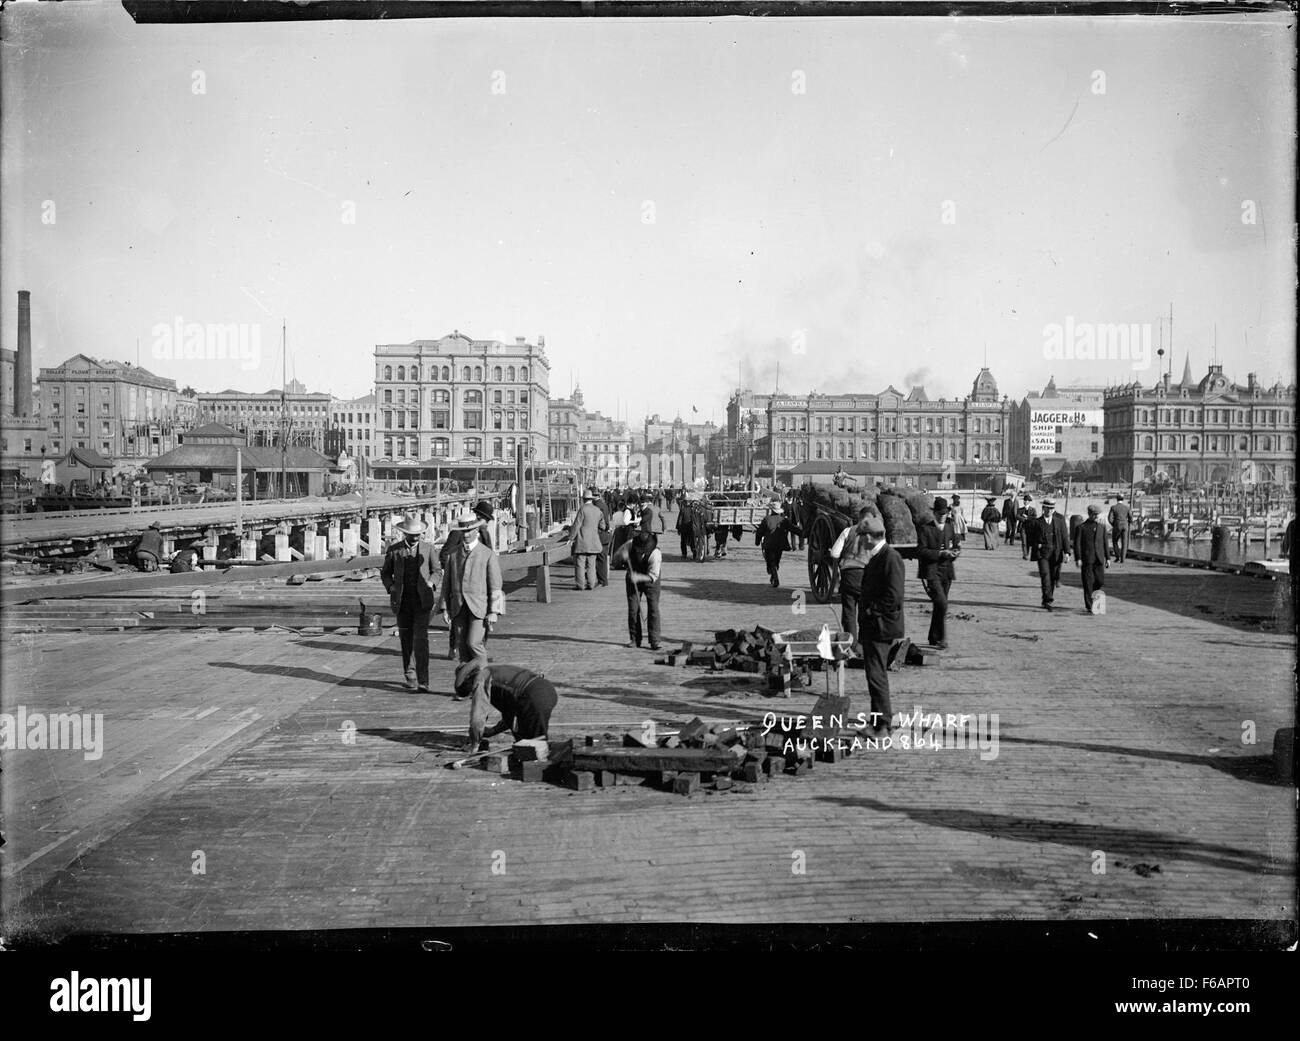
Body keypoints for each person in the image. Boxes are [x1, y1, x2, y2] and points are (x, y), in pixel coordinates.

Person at [857, 512, 905, 739]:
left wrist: (870, 611)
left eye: (861, 537)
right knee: (874, 676)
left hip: (881, 626)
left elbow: (893, 597)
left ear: (869, 537)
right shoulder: (880, 556)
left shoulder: (890, 558)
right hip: (875, 626)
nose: (860, 541)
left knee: (876, 677)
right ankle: (878, 723)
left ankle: (883, 725)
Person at [381, 513, 442, 691]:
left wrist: (432, 582)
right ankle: (410, 674)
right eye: (412, 534)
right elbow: (385, 573)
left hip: (423, 602)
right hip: (402, 602)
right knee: (406, 639)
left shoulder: (429, 549)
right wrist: (391, 586)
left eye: (418, 534)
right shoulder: (394, 550)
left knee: (421, 639)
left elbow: (437, 570)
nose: (415, 537)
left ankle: (424, 680)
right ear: (404, 533)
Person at [436, 507, 502, 669]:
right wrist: (444, 608)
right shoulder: (453, 555)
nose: (465, 535)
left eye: (469, 531)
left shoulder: (487, 555)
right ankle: (467, 686)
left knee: (474, 643)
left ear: (476, 530)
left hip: (479, 607)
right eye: (463, 532)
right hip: (458, 607)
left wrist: (494, 611)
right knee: (463, 649)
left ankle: (483, 680)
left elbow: (496, 584)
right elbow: (447, 584)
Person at [458, 660, 558, 753]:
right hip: (546, 690)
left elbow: (478, 717)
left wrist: (474, 744)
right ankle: (528, 760)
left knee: (536, 744)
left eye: (471, 693)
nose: (472, 695)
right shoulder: (493, 672)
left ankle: (539, 768)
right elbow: (510, 714)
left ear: (469, 682)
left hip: (533, 697)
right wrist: (494, 730)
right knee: (526, 739)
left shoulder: (480, 680)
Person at [828, 506, 877, 657]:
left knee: (849, 614)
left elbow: (835, 553)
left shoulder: (848, 531)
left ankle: (851, 647)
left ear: (859, 518)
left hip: (849, 578)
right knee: (865, 614)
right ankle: (863, 646)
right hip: (867, 579)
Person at [916, 498, 959, 649]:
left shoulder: (949, 527)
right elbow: (921, 551)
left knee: (939, 605)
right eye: (940, 514)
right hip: (932, 571)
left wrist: (955, 552)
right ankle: (942, 638)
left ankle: (933, 637)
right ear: (934, 513)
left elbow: (956, 544)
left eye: (945, 513)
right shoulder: (925, 529)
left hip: (947, 571)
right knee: (942, 602)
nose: (942, 516)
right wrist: (940, 553)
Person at [1026, 497, 1070, 611]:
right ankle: (1048, 599)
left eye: (1052, 509)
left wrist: (1067, 552)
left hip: (1055, 553)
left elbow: (1065, 537)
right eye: (1047, 508)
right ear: (1043, 508)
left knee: (1053, 576)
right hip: (1042, 554)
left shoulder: (1059, 522)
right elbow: (1029, 537)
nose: (1049, 511)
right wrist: (1036, 545)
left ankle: (1046, 599)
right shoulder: (1036, 522)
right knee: (1045, 575)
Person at [621, 529, 662, 649]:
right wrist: (623, 556)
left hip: (650, 579)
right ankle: (634, 639)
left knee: (653, 609)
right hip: (633, 577)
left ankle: (654, 640)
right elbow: (619, 555)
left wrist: (638, 577)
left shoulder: (655, 554)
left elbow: (653, 576)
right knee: (633, 609)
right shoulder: (631, 544)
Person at [1073, 504, 1110, 614]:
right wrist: (1078, 558)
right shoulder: (1081, 528)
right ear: (1090, 515)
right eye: (1095, 515)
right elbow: (1077, 544)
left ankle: (1094, 596)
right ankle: (1090, 606)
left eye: (1098, 515)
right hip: (1087, 559)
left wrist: (1108, 558)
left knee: (1100, 581)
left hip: (1099, 558)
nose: (1097, 517)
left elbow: (1105, 543)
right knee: (1088, 582)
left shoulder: (1102, 527)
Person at [756, 501, 800, 587]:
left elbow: (759, 532)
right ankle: (774, 576)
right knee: (776, 561)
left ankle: (775, 578)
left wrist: (757, 542)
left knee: (771, 561)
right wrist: (802, 533)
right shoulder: (784, 520)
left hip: (769, 544)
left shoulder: (766, 519)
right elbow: (793, 529)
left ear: (772, 511)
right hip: (780, 544)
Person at [570, 490, 607, 590]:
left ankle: (580, 585)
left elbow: (577, 525)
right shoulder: (597, 510)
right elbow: (603, 526)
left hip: (582, 541)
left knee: (580, 563)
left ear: (583, 499)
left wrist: (571, 538)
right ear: (591, 499)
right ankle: (591, 584)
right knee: (592, 563)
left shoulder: (582, 509)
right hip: (594, 541)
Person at [595, 492, 613, 587]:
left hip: (601, 535)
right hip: (606, 535)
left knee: (600, 559)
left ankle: (602, 581)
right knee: (603, 558)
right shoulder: (603, 504)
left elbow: (600, 523)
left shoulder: (596, 506)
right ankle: (603, 579)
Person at [1107, 493, 1131, 564]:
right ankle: (1123, 559)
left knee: (1115, 541)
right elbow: (1131, 517)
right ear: (1123, 499)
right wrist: (1128, 522)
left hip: (1117, 526)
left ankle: (1117, 556)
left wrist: (1114, 524)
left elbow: (1110, 518)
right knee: (1124, 543)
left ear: (1116, 499)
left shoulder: (1113, 507)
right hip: (1125, 526)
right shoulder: (1127, 508)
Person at [1017, 493, 1035, 559]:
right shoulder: (1020, 509)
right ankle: (1025, 554)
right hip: (1022, 527)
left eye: (1027, 500)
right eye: (1024, 500)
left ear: (1029, 502)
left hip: (1030, 528)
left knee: (1028, 541)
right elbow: (1017, 516)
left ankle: (1027, 553)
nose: (1025, 502)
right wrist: (1023, 518)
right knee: (1024, 542)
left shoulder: (1033, 510)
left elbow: (1034, 518)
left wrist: (1027, 517)